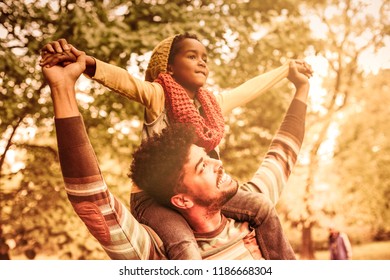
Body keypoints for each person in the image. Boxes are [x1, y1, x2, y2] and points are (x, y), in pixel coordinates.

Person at [42, 44, 310, 260]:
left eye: (204, 56)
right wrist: (84, 69)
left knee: (262, 206)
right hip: (151, 198)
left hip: (190, 191)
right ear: (170, 67)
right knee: (183, 245)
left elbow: (281, 147)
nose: (219, 165)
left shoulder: (211, 106)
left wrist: (292, 77)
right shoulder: (159, 95)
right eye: (191, 56)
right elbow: (124, 82)